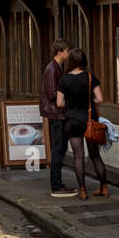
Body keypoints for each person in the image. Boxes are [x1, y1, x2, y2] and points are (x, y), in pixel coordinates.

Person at [56, 48, 108, 200]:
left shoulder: (64, 79)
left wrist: (69, 103)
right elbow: (100, 98)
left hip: (72, 122)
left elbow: (59, 103)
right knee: (95, 155)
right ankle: (104, 187)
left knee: (78, 156)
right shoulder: (90, 77)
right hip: (89, 121)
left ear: (71, 61)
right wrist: (89, 101)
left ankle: (83, 191)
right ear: (84, 61)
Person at [39, 38, 75, 197]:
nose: (69, 53)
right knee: (58, 149)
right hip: (56, 113)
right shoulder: (53, 68)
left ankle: (58, 183)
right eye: (67, 51)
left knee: (60, 148)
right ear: (60, 52)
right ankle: (56, 185)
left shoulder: (56, 67)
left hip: (58, 113)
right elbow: (52, 93)